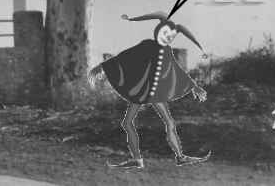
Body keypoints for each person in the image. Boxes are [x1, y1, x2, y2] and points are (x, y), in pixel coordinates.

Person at [89, 12, 210, 169]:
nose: (168, 38)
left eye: (171, 36)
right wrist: (102, 67)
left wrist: (194, 86)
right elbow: (126, 56)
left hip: (153, 93)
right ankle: (142, 159)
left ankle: (173, 157)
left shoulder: (167, 51)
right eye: (166, 34)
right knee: (131, 123)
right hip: (144, 90)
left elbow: (176, 70)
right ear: (158, 31)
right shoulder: (147, 45)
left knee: (165, 123)